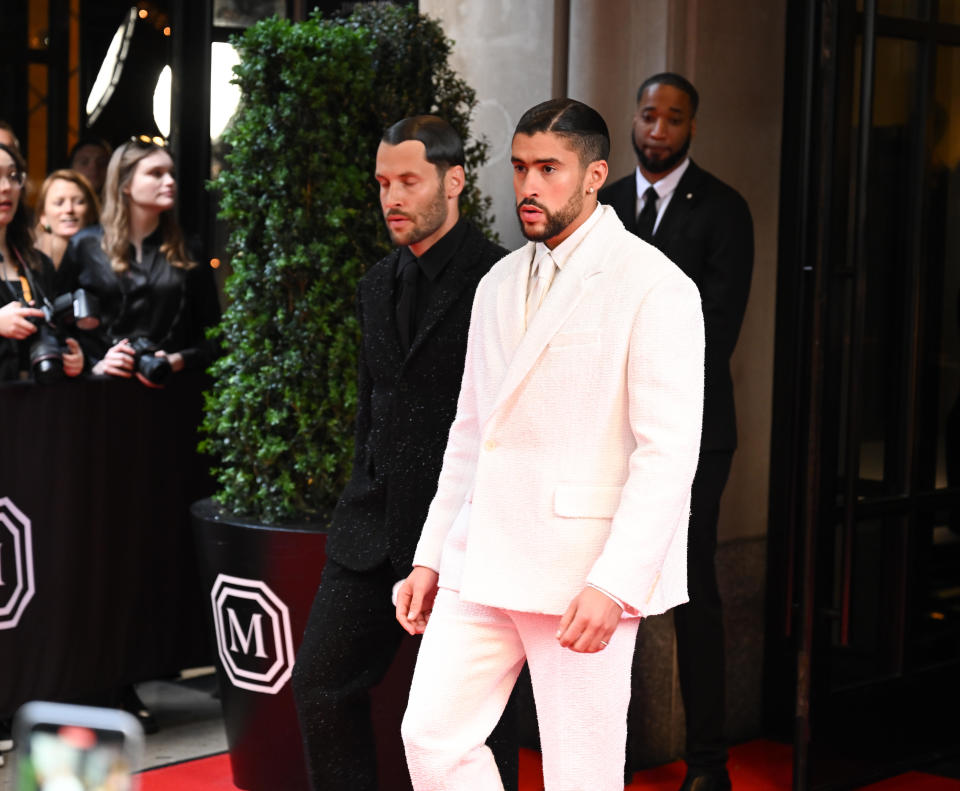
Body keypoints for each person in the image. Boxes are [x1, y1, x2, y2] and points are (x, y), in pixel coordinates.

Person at [397, 98, 705, 791]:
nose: (529, 186)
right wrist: (429, 555)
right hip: (481, 557)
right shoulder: (498, 282)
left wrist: (615, 582)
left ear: (595, 174)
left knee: (581, 774)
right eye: (519, 168)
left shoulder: (656, 284)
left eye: (548, 168)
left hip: (581, 571)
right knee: (432, 736)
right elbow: (472, 431)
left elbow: (667, 454)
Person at [291, 115, 517, 791]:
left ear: (453, 182)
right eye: (383, 182)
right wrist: (359, 491)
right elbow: (373, 411)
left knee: (475, 726)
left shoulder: (501, 281)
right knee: (320, 686)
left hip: (464, 537)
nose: (392, 196)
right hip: (370, 527)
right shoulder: (374, 284)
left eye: (408, 181)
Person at [598, 73, 754, 791]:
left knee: (689, 593)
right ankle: (612, 750)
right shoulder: (600, 206)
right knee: (606, 586)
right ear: (633, 119)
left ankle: (708, 763)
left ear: (693, 126)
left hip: (692, 433)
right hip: (605, 432)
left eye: (673, 118)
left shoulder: (724, 210)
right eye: (648, 115)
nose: (657, 129)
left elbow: (715, 331)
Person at [58, 137, 220, 387]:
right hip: (100, 392)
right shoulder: (85, 245)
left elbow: (213, 335)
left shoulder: (188, 248)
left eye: (171, 174)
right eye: (156, 174)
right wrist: (96, 363)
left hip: (171, 389)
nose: (170, 182)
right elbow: (60, 329)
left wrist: (176, 360)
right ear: (125, 184)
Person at [0, 143, 84, 382]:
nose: (6, 187)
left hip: (37, 404)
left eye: (13, 176)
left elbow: (60, 330)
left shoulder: (37, 262)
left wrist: (74, 356)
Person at [34, 169, 101, 269]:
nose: (69, 209)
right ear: (43, 216)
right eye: (59, 203)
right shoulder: (30, 264)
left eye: (79, 202)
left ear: (91, 212)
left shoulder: (109, 262)